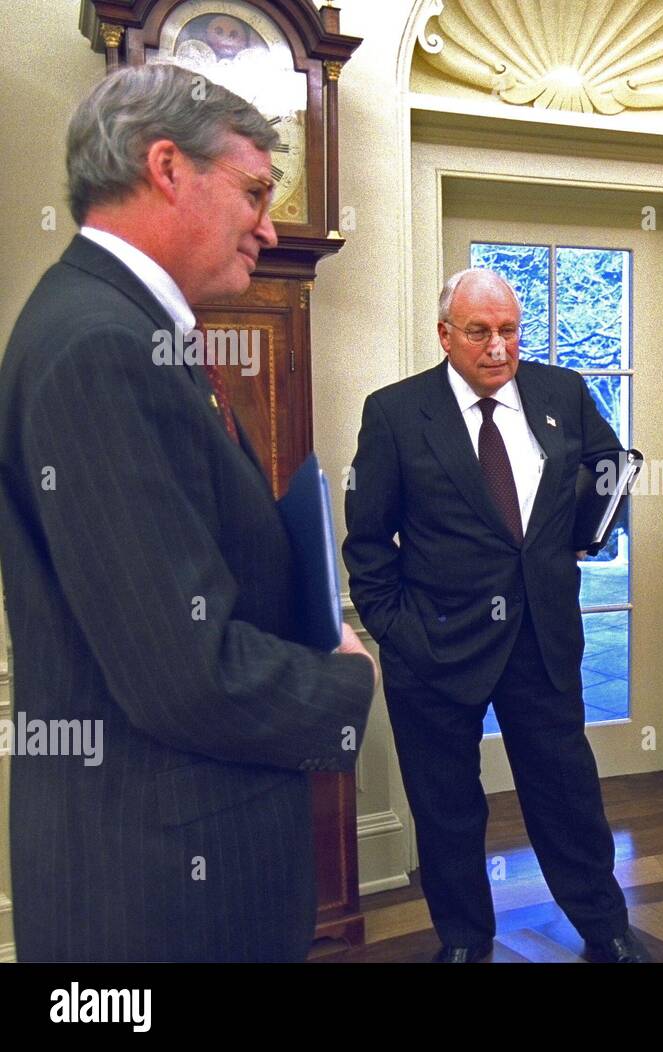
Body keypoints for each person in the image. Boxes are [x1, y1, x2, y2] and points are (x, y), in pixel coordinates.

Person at [0, 63, 376, 963]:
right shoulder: (102, 346)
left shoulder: (119, 326)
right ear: (167, 167)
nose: (270, 225)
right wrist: (346, 684)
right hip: (159, 892)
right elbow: (184, 670)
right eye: (254, 190)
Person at [343, 268, 649, 964]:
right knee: (447, 804)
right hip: (435, 645)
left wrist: (584, 532)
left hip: (540, 638)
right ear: (445, 334)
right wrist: (397, 629)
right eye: (479, 332)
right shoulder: (395, 413)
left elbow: (608, 467)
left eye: (509, 330)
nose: (498, 347)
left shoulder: (560, 394)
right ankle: (465, 942)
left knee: (567, 794)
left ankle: (605, 928)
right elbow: (366, 538)